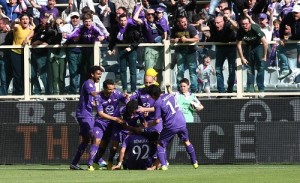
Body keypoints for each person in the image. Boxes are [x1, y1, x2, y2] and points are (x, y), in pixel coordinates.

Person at [145, 84, 199, 170]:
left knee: (160, 144)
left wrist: (147, 125)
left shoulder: (157, 103)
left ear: (152, 95)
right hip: (181, 121)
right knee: (186, 141)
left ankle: (163, 165)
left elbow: (157, 121)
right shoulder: (170, 95)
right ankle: (195, 162)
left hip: (171, 125)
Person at [87, 79, 127, 171]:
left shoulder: (117, 93)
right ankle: (90, 164)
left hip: (113, 124)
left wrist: (128, 98)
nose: (111, 91)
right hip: (101, 122)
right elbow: (100, 113)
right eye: (109, 89)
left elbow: (127, 102)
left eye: (112, 89)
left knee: (106, 145)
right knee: (97, 140)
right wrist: (115, 118)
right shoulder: (98, 97)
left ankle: (100, 162)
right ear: (104, 88)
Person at [69, 65, 103, 170]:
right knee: (95, 137)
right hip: (84, 115)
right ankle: (96, 161)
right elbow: (93, 94)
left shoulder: (91, 83)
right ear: (92, 74)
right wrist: (106, 91)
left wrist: (94, 104)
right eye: (98, 74)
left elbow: (90, 100)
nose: (99, 76)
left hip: (86, 114)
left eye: (100, 75)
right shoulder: (89, 83)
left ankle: (74, 163)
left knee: (86, 140)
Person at [200, 14, 238, 93]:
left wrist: (229, 19)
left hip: (231, 48)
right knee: (218, 69)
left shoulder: (228, 25)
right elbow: (202, 29)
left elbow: (236, 26)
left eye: (218, 23)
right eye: (215, 23)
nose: (217, 25)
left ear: (223, 22)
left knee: (231, 70)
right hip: (220, 48)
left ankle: (230, 90)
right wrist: (201, 24)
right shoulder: (213, 26)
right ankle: (221, 91)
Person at [107, 13, 142, 93]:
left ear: (127, 20)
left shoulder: (132, 27)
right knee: (122, 71)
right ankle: (124, 89)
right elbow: (113, 40)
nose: (123, 22)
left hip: (131, 51)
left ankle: (133, 90)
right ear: (119, 21)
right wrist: (110, 48)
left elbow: (139, 40)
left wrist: (131, 47)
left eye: (125, 20)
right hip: (121, 50)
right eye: (121, 20)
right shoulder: (116, 28)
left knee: (133, 71)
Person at [236, 16, 268, 94]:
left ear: (250, 23)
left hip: (258, 45)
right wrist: (242, 58)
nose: (245, 25)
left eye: (246, 24)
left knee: (260, 67)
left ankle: (261, 89)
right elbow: (238, 45)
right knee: (249, 68)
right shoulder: (240, 31)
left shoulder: (255, 28)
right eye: (243, 24)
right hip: (248, 46)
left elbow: (265, 42)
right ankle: (250, 88)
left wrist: (264, 55)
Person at [170, 15, 199, 93]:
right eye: (183, 22)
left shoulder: (190, 27)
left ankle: (194, 90)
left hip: (191, 52)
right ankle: (180, 89)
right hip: (180, 52)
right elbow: (170, 39)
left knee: (192, 71)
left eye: (185, 21)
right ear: (178, 23)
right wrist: (174, 40)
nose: (185, 23)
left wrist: (186, 39)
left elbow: (197, 39)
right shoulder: (175, 29)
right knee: (180, 71)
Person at [11, 13, 34, 95]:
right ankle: (17, 93)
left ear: (29, 20)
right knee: (17, 74)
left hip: (27, 54)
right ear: (20, 21)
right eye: (23, 19)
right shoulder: (18, 27)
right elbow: (12, 26)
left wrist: (27, 38)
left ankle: (25, 92)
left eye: (26, 19)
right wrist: (14, 22)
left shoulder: (32, 28)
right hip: (16, 53)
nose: (25, 20)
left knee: (26, 73)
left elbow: (33, 31)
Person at [277, 3, 300, 80]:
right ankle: (286, 68)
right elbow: (282, 27)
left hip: (296, 40)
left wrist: (289, 37)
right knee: (279, 48)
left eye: (296, 13)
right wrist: (282, 38)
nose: (295, 14)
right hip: (293, 40)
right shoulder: (289, 16)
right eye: (293, 12)